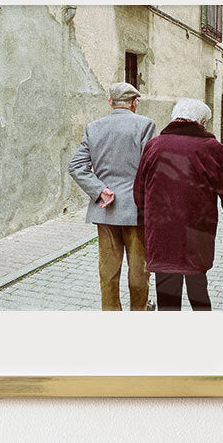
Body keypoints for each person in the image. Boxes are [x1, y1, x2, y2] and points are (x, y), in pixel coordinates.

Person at [133, 98, 223, 311]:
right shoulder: (211, 148)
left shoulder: (154, 146)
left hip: (162, 233)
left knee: (167, 293)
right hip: (196, 233)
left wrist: (146, 218)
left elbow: (139, 190)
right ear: (202, 123)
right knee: (198, 288)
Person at [68, 82, 157, 311]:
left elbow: (76, 166)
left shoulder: (94, 127)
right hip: (136, 211)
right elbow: (151, 168)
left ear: (110, 102)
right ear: (134, 103)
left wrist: (99, 190)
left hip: (105, 209)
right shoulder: (145, 125)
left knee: (108, 272)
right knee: (139, 272)